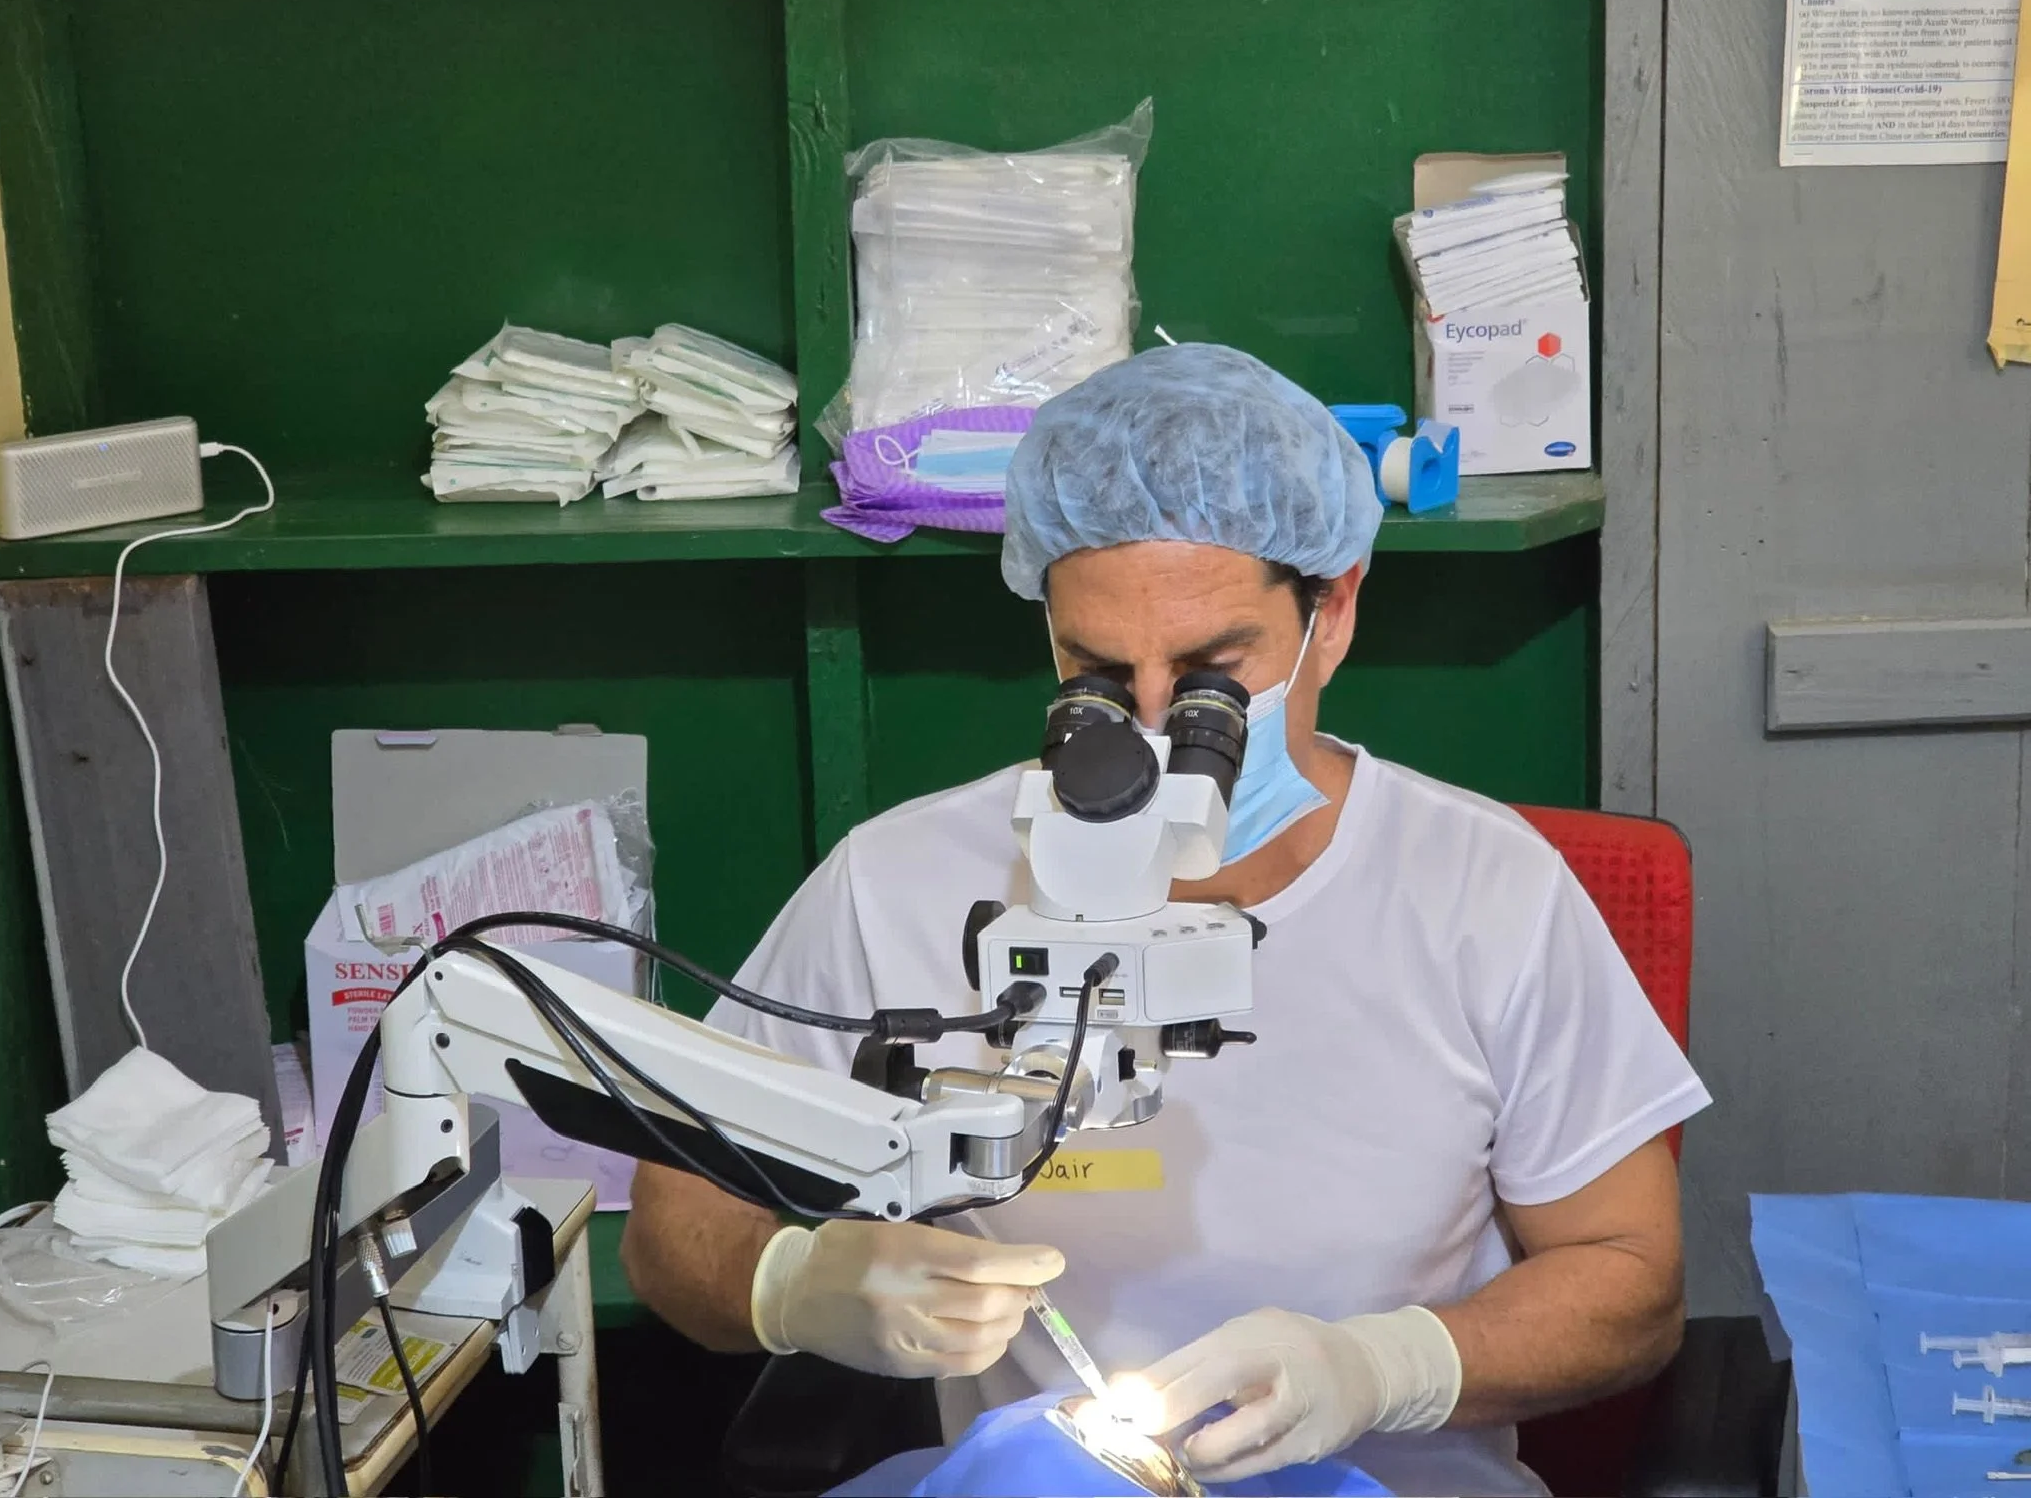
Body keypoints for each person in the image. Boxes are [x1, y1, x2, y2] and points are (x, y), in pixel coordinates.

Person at [621, 344, 1711, 1496]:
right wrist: (792, 1285)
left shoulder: (1484, 890)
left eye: (1210, 675)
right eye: (1098, 673)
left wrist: (1378, 1370)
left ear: (1333, 609)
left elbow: (1630, 1284)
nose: (1148, 731)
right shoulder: (895, 884)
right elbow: (672, 1222)